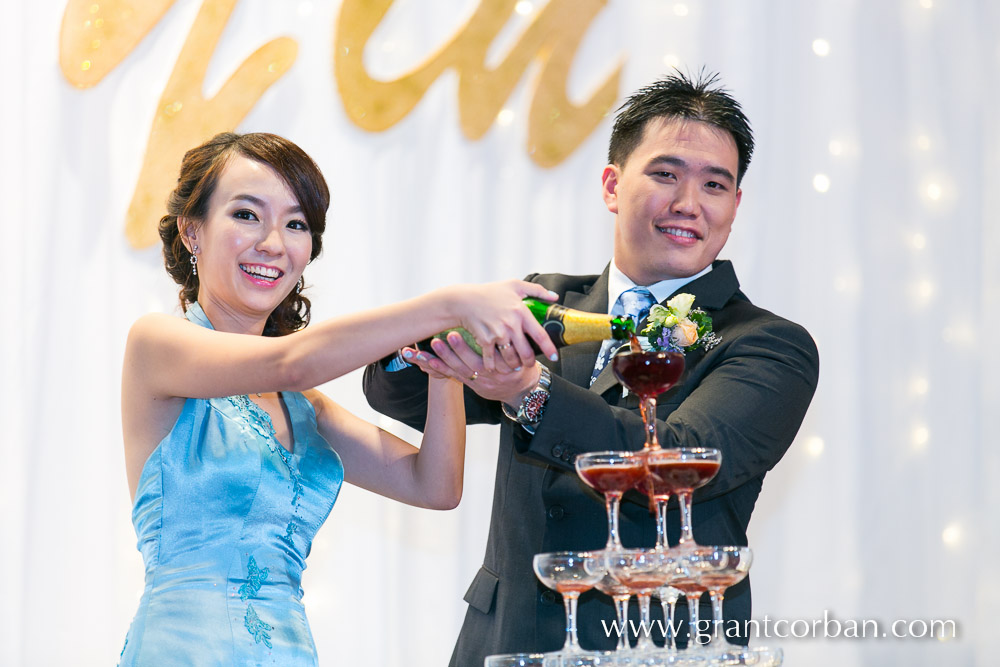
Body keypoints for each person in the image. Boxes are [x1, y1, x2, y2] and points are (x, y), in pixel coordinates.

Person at [363, 71, 820, 663]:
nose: (688, 203)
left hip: (658, 644)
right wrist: (436, 339)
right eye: (665, 174)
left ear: (735, 205)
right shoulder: (548, 301)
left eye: (714, 184)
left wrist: (531, 391)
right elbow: (397, 395)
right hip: (509, 643)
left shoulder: (769, 345)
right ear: (611, 184)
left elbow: (678, 459)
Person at [117, 131, 559, 665]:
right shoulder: (156, 344)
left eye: (296, 223)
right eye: (246, 215)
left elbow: (435, 486)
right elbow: (293, 358)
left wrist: (445, 368)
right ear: (193, 231)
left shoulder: (302, 404)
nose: (274, 243)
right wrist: (448, 306)